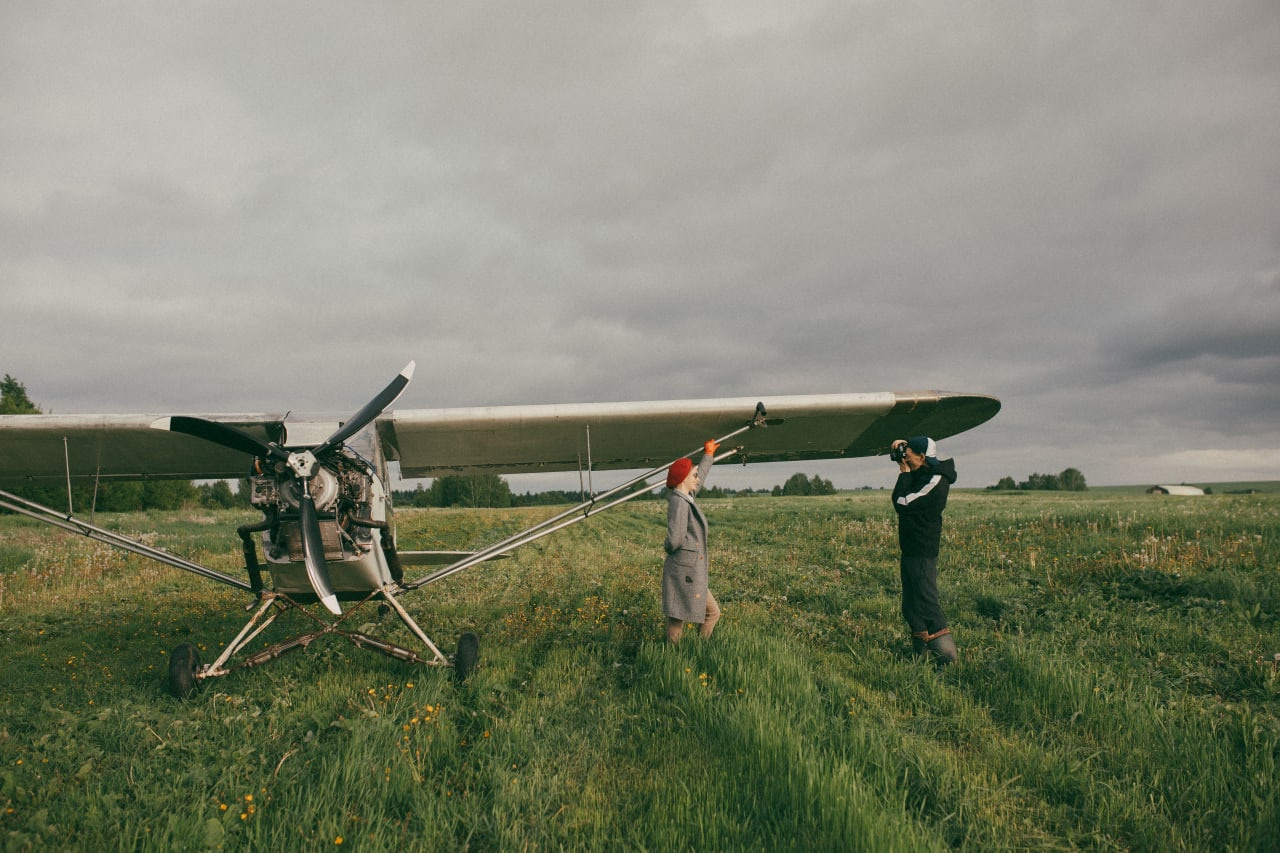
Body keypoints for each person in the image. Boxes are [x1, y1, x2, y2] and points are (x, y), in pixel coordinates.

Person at [891, 435, 959, 664]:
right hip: (911, 550)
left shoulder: (936, 481)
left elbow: (902, 502)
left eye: (909, 452)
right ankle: (921, 654)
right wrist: (903, 455)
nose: (905, 455)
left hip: (922, 551)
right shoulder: (924, 472)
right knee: (910, 605)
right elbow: (912, 481)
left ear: (921, 457)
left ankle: (949, 660)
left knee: (927, 603)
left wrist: (904, 473)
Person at [662, 439, 721, 643]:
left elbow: (700, 477)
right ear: (683, 479)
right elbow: (675, 539)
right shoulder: (679, 503)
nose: (697, 478)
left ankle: (685, 653)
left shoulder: (685, 495)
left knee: (680, 615)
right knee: (688, 615)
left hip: (688, 569)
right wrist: (670, 547)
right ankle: (686, 654)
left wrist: (708, 456)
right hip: (686, 569)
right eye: (693, 475)